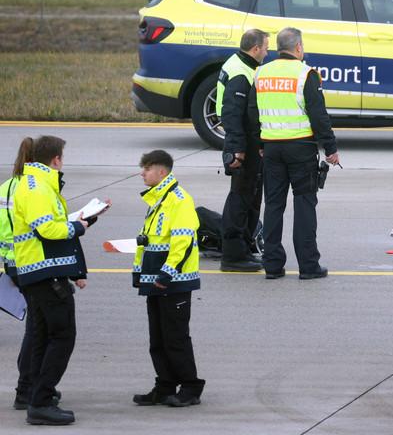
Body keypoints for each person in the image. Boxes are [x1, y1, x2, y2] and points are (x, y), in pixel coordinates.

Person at [12, 136, 90, 425]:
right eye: (62, 159)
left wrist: (78, 224)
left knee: (44, 336)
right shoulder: (37, 187)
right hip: (44, 273)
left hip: (40, 271)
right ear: (55, 160)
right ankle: (41, 400)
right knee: (62, 336)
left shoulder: (35, 184)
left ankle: (36, 398)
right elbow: (47, 229)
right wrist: (76, 228)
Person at [251, 27, 339, 280]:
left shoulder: (261, 74)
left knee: (274, 206)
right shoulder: (305, 74)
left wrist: (260, 142)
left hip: (271, 149)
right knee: (304, 204)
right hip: (300, 148)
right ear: (298, 47)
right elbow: (318, 115)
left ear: (279, 47)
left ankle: (273, 265)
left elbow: (253, 111)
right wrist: (330, 149)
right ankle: (308, 266)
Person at [132, 150, 205, 407]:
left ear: (161, 172)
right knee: (158, 339)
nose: (142, 173)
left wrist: (168, 273)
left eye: (147, 169)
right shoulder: (157, 201)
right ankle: (164, 385)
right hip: (155, 280)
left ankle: (190, 386)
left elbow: (183, 242)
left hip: (173, 282)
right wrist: (139, 274)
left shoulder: (179, 200)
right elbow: (148, 242)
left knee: (175, 337)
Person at [217, 28, 269, 272]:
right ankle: (233, 255)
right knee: (240, 198)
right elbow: (232, 113)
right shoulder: (241, 73)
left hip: (247, 141)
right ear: (256, 48)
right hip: (242, 143)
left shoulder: (243, 64)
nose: (267, 53)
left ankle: (244, 248)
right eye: (266, 48)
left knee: (249, 196)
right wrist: (238, 149)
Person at [2, 139, 44, 411]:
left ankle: (28, 385)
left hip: (10, 262)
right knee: (39, 329)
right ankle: (27, 388)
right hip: (31, 263)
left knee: (36, 327)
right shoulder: (34, 190)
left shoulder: (5, 187)